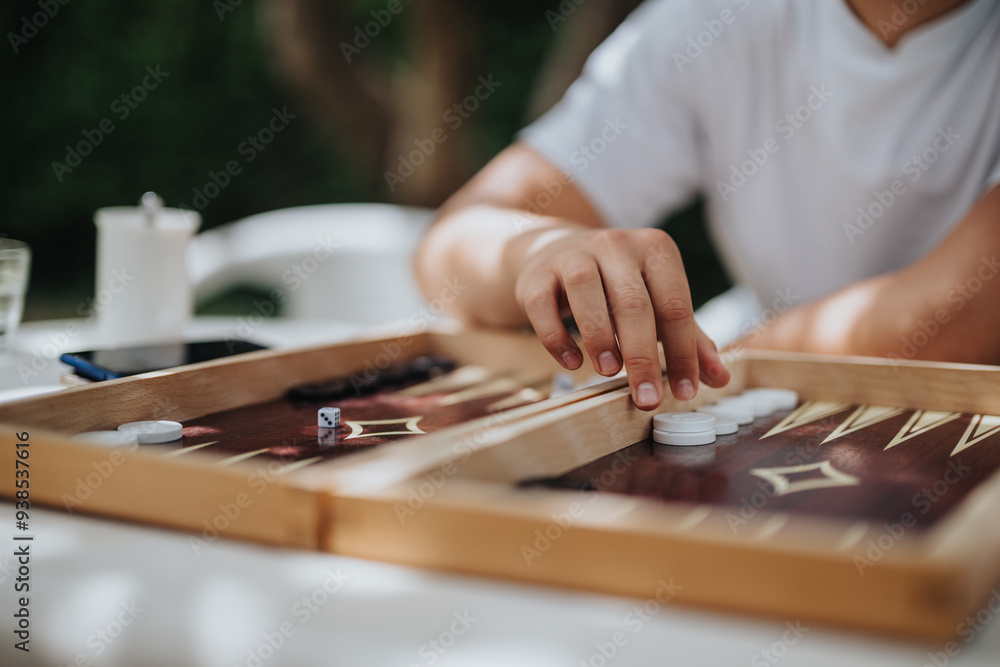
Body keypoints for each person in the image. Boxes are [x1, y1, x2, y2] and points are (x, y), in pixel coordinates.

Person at [415, 0, 1000, 410]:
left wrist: (699, 372)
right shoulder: (709, 18)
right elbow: (453, 245)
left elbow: (960, 319)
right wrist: (542, 252)